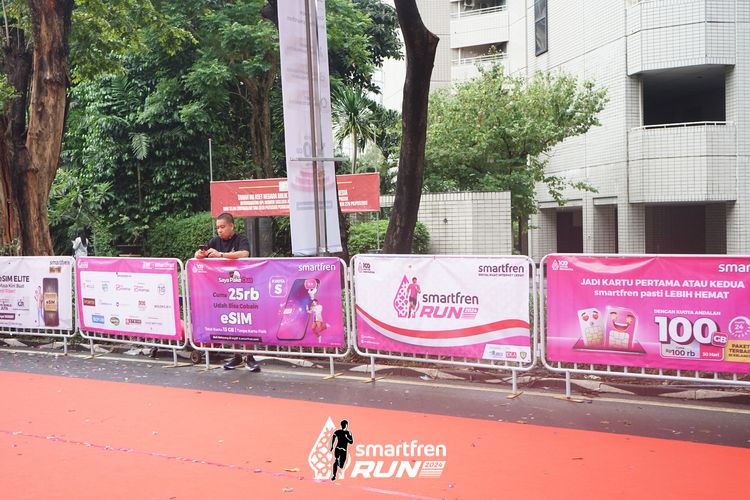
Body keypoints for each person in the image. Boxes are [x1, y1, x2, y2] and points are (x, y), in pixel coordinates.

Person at [195, 213, 260, 372]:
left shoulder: (241, 239)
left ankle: (249, 357)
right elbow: (197, 255)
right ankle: (237, 356)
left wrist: (221, 255)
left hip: (243, 288)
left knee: (245, 322)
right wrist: (200, 254)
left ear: (232, 226)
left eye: (222, 227)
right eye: (218, 227)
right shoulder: (214, 241)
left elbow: (244, 254)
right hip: (223, 289)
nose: (219, 230)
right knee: (231, 323)